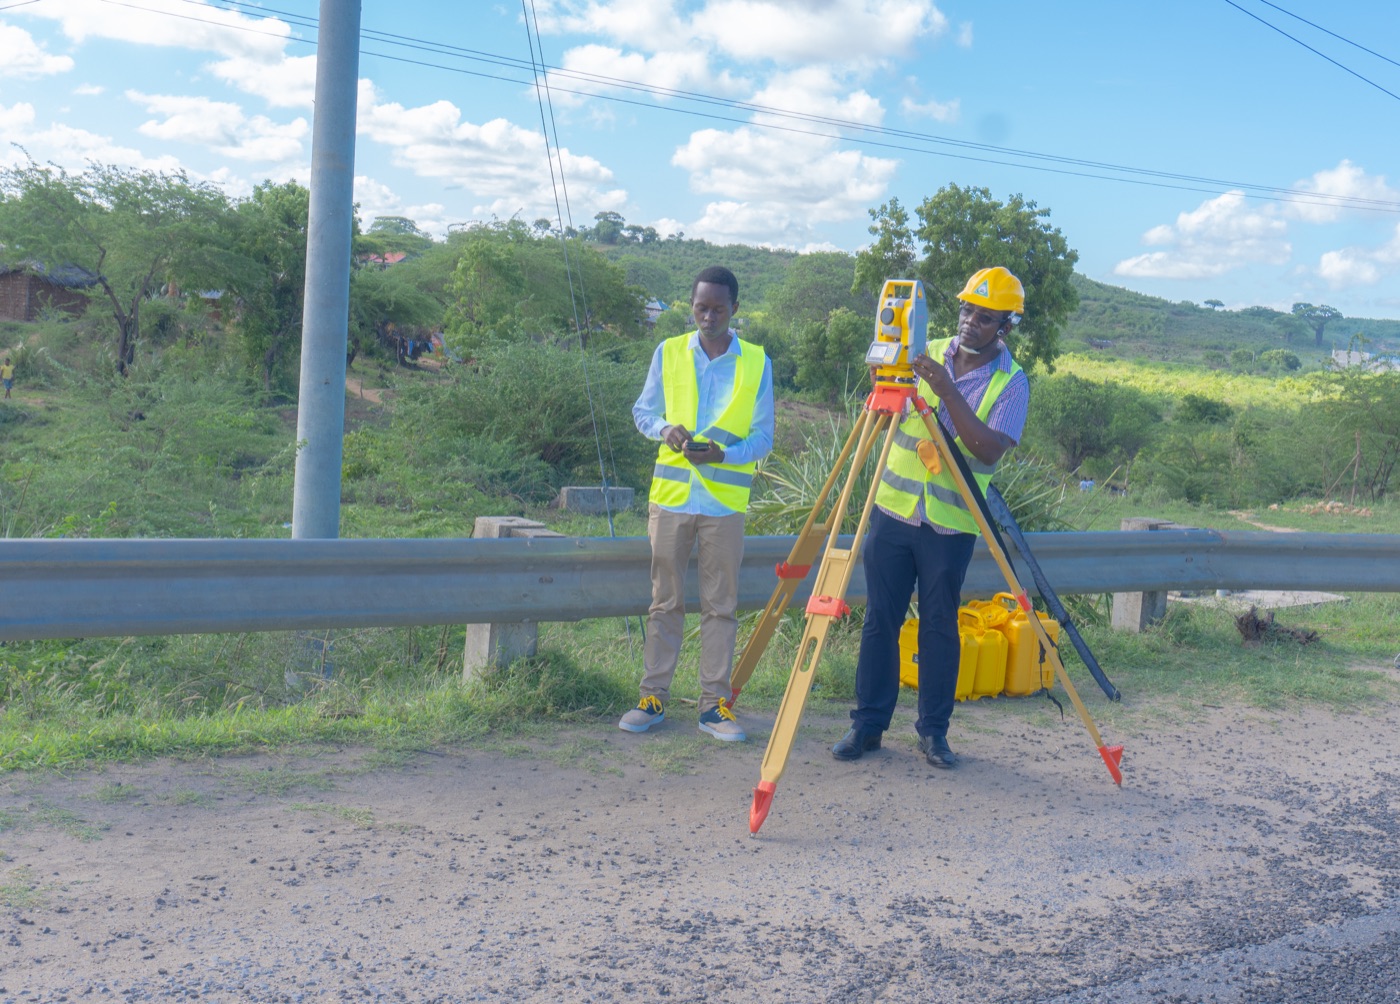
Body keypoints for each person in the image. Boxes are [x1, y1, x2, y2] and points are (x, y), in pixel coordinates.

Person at [833, 267, 1031, 769]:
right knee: (880, 619)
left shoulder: (1012, 381)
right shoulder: (924, 347)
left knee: (939, 626)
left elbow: (988, 450)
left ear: (1004, 327)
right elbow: (880, 411)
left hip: (950, 525)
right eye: (967, 310)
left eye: (985, 318)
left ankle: (933, 733)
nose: (970, 323)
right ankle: (867, 725)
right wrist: (883, 381)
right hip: (894, 509)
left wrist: (946, 392)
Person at [622, 266, 775, 742]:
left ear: (735, 309)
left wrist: (725, 454)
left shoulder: (756, 362)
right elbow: (643, 412)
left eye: (718, 309)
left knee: (720, 607)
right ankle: (653, 698)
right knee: (664, 602)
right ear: (691, 306)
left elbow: (764, 437)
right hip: (671, 499)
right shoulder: (668, 351)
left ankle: (714, 706)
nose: (708, 317)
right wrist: (664, 429)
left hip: (723, 505)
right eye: (700, 308)